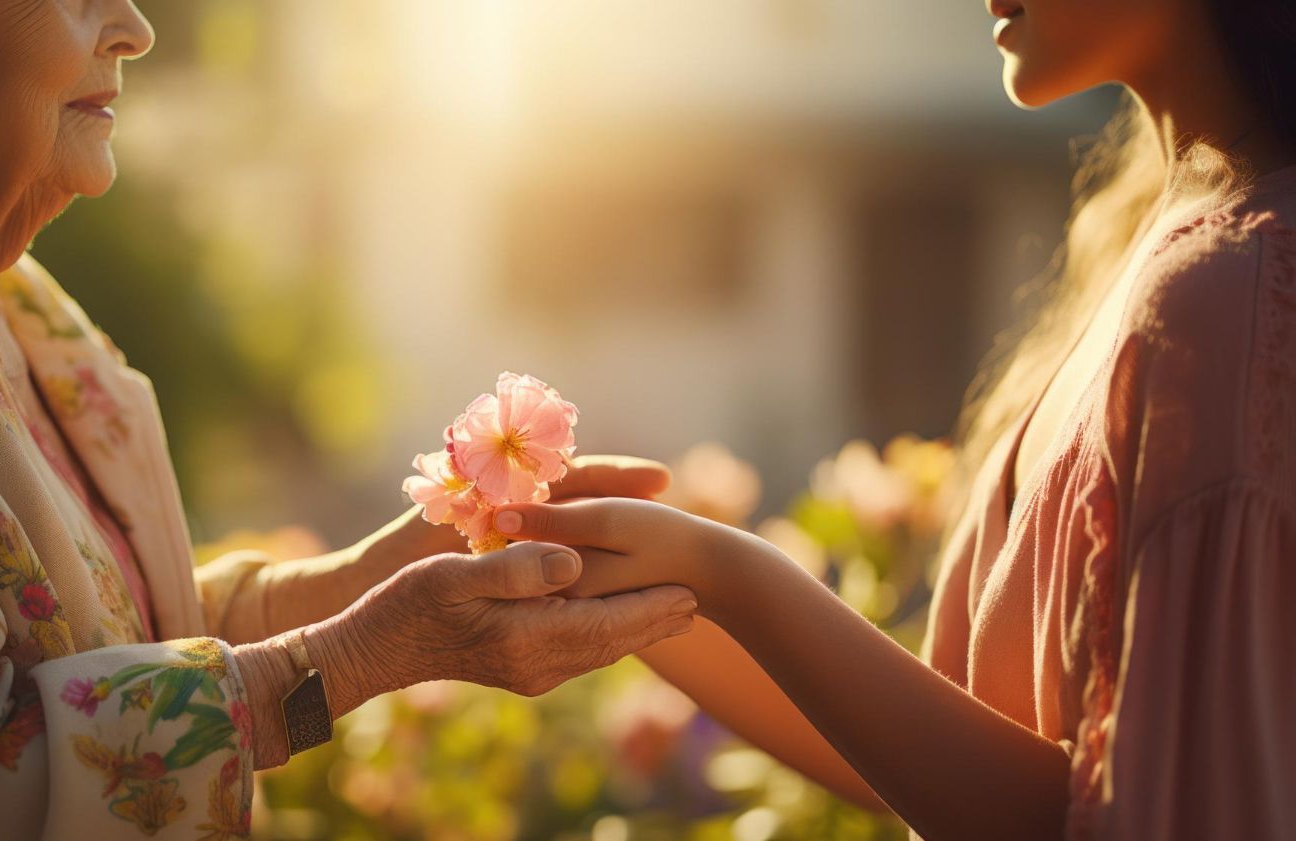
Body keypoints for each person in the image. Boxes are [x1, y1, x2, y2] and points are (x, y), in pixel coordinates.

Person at [0, 1, 698, 838]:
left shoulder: (19, 306)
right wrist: (352, 659)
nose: (133, 28)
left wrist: (387, 571)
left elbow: (134, 627)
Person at [493, 1, 1296, 839]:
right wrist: (663, 585)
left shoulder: (1235, 292)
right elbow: (943, 762)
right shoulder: (1161, 246)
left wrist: (727, 569)